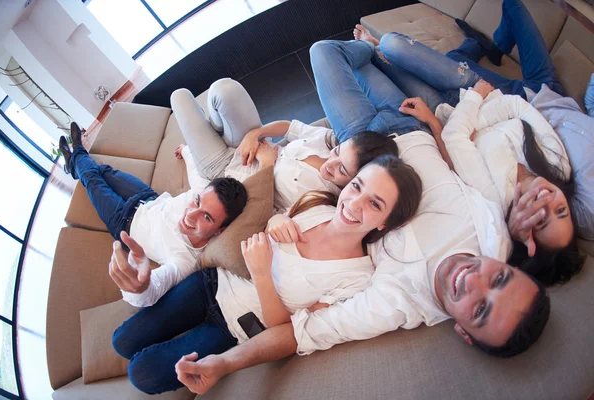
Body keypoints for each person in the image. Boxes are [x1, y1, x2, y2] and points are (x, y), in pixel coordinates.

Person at [174, 131, 551, 396]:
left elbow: (297, 333)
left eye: (481, 308)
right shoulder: (495, 236)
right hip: (400, 136)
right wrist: (515, 209)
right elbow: (487, 163)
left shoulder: (390, 302)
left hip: (369, 167)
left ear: (465, 333)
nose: (474, 281)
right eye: (499, 277)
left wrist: (222, 364)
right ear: (508, 264)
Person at [111, 154, 423, 394]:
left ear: (385, 223)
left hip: (233, 329)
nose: (354, 203)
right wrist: (274, 223)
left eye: (375, 203)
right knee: (122, 341)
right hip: (211, 283)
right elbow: (272, 220)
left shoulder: (356, 279)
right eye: (357, 186)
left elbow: (286, 332)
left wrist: (262, 275)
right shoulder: (317, 204)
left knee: (143, 373)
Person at [350, 0, 585, 284]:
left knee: (376, 61)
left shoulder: (494, 199)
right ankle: (397, 47)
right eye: (560, 210)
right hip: (476, 89)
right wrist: (473, 121)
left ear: (528, 235)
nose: (548, 201)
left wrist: (472, 116)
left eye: (542, 219)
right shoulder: (558, 166)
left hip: (448, 109)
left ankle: (381, 48)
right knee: (393, 45)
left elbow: (454, 136)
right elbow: (517, 106)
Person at [57, 122, 248, 306]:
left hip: (123, 221)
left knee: (92, 179)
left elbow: (152, 290)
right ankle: (74, 166)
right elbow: (196, 171)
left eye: (206, 217)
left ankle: (77, 153)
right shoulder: (203, 190)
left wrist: (140, 288)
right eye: (197, 202)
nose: (190, 215)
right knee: (104, 171)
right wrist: (185, 150)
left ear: (219, 230)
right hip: (147, 197)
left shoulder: (185, 260)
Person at [171, 78, 399, 213]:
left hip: (225, 171)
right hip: (252, 143)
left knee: (179, 96)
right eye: (338, 153)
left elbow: (259, 210)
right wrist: (256, 134)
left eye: (342, 170)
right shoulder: (329, 142)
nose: (331, 162)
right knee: (224, 88)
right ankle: (216, 125)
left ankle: (203, 139)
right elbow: (291, 127)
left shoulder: (320, 202)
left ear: (356, 181)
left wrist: (267, 166)